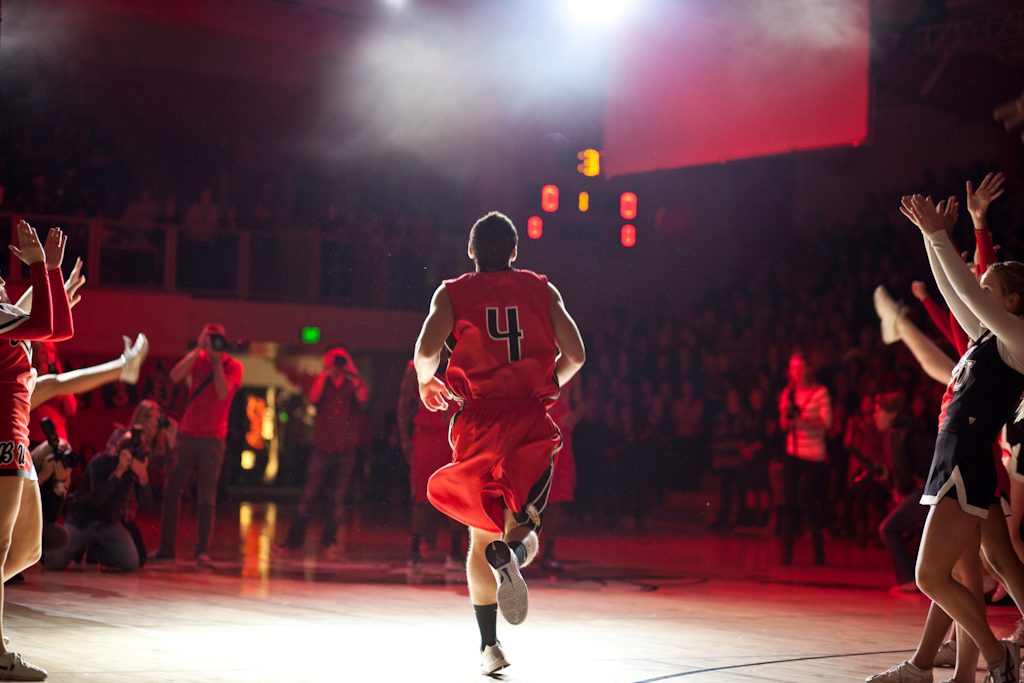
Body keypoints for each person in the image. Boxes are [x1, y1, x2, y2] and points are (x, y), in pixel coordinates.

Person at [413, 211, 585, 675]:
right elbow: (577, 353)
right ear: (514, 252)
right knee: (526, 517)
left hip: (477, 422)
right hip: (527, 415)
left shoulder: (452, 292)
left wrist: (427, 383)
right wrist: (550, 383)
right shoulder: (541, 288)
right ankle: (520, 553)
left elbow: (426, 350)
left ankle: (490, 647)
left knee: (479, 535)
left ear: (470, 251)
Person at [896, 192, 1024, 682]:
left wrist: (939, 235)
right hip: (952, 454)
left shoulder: (1016, 340)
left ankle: (996, 658)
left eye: (990, 286)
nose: (979, 287)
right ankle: (960, 667)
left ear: (1012, 302)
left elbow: (968, 296)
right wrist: (932, 240)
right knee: (975, 566)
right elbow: (956, 294)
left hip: (967, 458)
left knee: (932, 576)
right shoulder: (988, 338)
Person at [0, 220, 72, 681]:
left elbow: (59, 329)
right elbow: (46, 323)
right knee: (1, 547)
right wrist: (38, 267)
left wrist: (53, 273)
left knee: (26, 550)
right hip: (2, 440)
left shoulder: (6, 315)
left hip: (19, 444)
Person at [41, 401, 171, 573]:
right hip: (83, 520)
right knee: (54, 563)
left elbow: (147, 504)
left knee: (133, 561)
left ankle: (95, 548)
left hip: (110, 522)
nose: (134, 452)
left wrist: (143, 477)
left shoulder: (139, 461)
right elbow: (96, 501)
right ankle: (74, 547)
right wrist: (118, 471)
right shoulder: (101, 461)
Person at [153, 323, 243, 568]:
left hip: (213, 438)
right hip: (186, 433)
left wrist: (215, 362)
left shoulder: (233, 365)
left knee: (207, 497)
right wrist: (196, 351)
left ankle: (202, 552)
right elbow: (174, 376)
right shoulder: (198, 358)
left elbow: (225, 394)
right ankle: (166, 549)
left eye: (217, 340)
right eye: (209, 339)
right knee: (171, 489)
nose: (214, 343)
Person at [278, 347, 368, 558]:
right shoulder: (322, 381)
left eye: (340, 360)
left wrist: (351, 370)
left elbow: (363, 398)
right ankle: (292, 542)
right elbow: (312, 398)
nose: (337, 364)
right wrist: (325, 371)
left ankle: (330, 542)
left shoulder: (351, 383)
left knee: (337, 500)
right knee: (308, 496)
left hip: (345, 449)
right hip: (322, 447)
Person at [398, 357, 464, 570]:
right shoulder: (416, 366)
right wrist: (405, 439)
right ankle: (415, 551)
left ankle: (455, 552)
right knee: (421, 497)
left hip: (455, 438)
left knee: (456, 497)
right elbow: (403, 403)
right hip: (426, 436)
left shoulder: (463, 362)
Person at [874, 392, 933, 592]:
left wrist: (899, 488)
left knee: (888, 528)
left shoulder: (896, 433)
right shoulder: (915, 429)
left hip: (925, 491)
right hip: (936, 490)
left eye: (879, 411)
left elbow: (903, 474)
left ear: (892, 414)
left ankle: (907, 579)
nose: (876, 416)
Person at [778, 351, 832, 566]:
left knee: (808, 503)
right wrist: (791, 420)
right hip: (793, 451)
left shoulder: (820, 392)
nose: (797, 372)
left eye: (800, 367)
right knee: (789, 503)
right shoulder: (787, 393)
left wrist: (803, 422)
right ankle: (786, 554)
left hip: (814, 453)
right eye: (793, 368)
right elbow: (783, 424)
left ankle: (819, 553)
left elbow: (827, 423)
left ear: (810, 368)